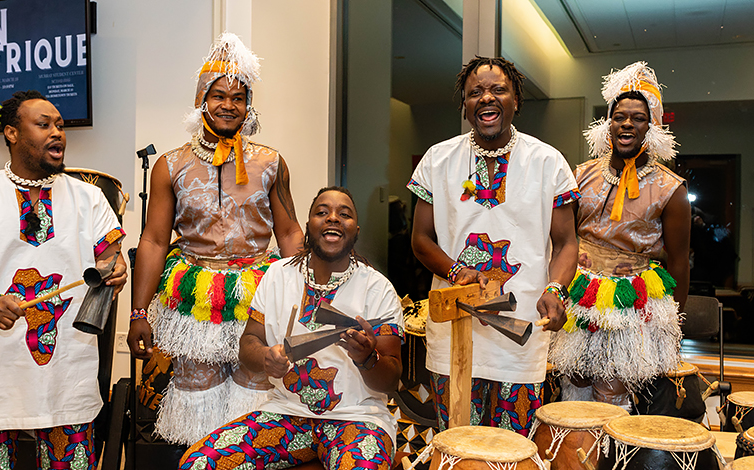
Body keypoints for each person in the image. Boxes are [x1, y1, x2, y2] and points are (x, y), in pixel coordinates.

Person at [0, 89, 127, 467]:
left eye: (60, 126)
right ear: (12, 133)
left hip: (67, 373)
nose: (57, 133)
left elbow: (109, 260)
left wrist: (115, 269)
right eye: (44, 124)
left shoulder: (90, 199)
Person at [128, 32, 304, 446]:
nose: (229, 104)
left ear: (248, 106)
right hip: (194, 298)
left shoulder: (270, 162)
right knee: (198, 398)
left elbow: (290, 231)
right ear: (201, 100)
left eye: (238, 97)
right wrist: (138, 313)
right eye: (219, 95)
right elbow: (153, 241)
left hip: (257, 295)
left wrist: (307, 296)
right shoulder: (170, 166)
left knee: (255, 395)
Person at [409, 56, 579, 436]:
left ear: (516, 99)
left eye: (498, 89)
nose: (486, 98)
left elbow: (566, 242)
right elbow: (420, 239)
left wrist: (554, 288)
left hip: (520, 337)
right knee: (458, 446)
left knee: (512, 450)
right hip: (454, 332)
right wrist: (455, 270)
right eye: (475, 92)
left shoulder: (548, 162)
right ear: (464, 106)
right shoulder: (438, 160)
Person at [178, 187, 404, 470]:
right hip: (285, 414)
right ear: (308, 225)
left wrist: (367, 358)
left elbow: (390, 381)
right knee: (198, 464)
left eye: (344, 214)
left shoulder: (378, 289)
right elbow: (250, 342)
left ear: (355, 230)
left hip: (358, 419)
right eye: (322, 212)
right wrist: (265, 358)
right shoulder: (277, 276)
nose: (333, 218)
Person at [549, 62, 690, 409]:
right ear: (608, 124)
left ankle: (609, 460)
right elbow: (560, 241)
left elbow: (679, 263)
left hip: (632, 301)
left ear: (652, 127)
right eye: (620, 116)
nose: (627, 123)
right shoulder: (580, 175)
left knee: (611, 395)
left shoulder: (670, 189)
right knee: (573, 385)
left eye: (638, 118)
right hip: (580, 292)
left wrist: (673, 328)